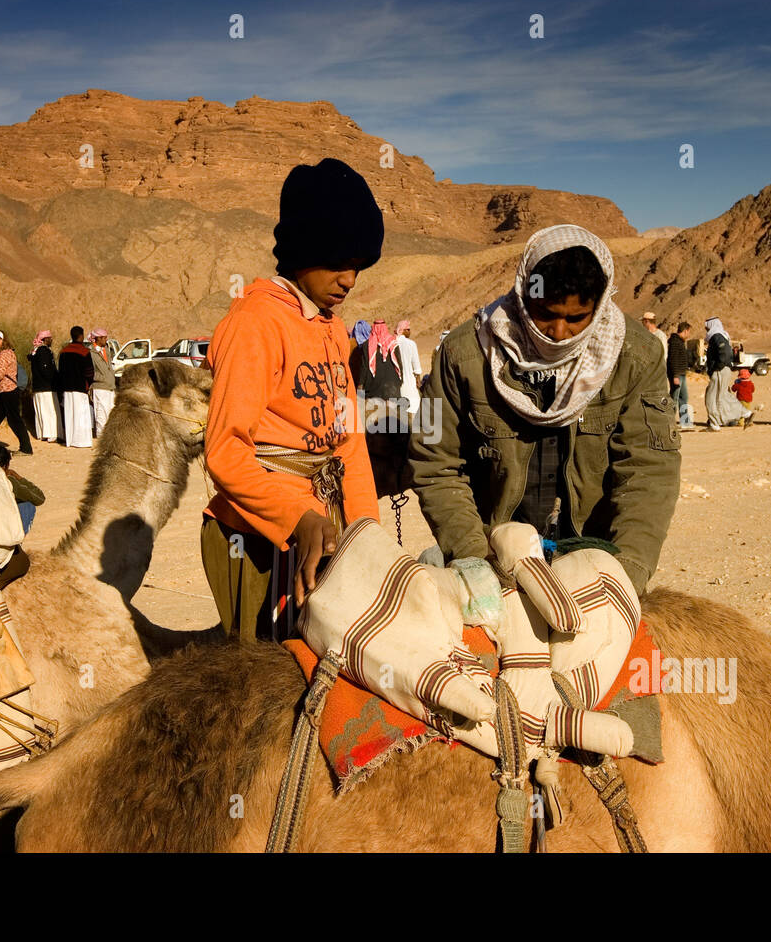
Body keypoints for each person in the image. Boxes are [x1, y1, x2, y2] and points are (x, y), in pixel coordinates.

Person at [410, 224, 680, 597]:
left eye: (576, 318)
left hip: (592, 561)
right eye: (545, 314)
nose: (558, 332)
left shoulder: (637, 356)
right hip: (492, 558)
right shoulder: (461, 354)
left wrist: (626, 574)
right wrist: (474, 561)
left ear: (600, 306)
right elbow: (433, 463)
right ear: (523, 295)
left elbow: (648, 472)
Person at [201, 157, 382, 643]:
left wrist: (366, 534)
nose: (349, 279)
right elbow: (225, 451)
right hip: (256, 541)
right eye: (339, 261)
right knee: (263, 689)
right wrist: (295, 518)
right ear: (304, 249)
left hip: (326, 530)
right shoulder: (255, 323)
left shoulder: (332, 327)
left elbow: (348, 443)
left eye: (358, 267)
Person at [0, 442, 46, 533]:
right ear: (5, 466)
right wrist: (18, 477)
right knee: (28, 505)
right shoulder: (8, 482)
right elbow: (39, 498)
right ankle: (16, 541)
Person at [0, 331, 33, 455]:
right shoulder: (9, 353)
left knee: (14, 420)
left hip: (8, 391)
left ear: (3, 340)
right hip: (6, 391)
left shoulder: (4, 355)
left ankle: (26, 449)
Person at [57, 326, 94, 448]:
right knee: (81, 414)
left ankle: (70, 440)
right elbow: (89, 372)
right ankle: (81, 441)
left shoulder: (63, 352)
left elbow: (60, 372)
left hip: (67, 388)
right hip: (80, 387)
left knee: (70, 414)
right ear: (81, 336)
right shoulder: (84, 352)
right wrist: (89, 383)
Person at [703, 317, 740, 431]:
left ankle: (718, 421)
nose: (706, 329)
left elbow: (723, 353)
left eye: (707, 327)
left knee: (712, 396)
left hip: (719, 370)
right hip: (723, 370)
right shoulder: (723, 335)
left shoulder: (717, 336)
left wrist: (716, 367)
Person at [29, 330, 62, 443]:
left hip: (38, 387)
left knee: (42, 411)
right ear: (44, 340)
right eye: (49, 338)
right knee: (49, 410)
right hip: (46, 387)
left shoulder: (36, 351)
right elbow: (46, 370)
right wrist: (55, 381)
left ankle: (42, 433)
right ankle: (51, 434)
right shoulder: (44, 351)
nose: (51, 340)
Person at [667, 321, 694, 430]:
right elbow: (673, 360)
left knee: (684, 397)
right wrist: (675, 376)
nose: (689, 334)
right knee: (674, 398)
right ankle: (669, 422)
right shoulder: (674, 342)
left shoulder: (680, 342)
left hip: (681, 374)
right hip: (677, 375)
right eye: (689, 332)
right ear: (685, 330)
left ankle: (685, 422)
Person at [89, 329, 116, 438]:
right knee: (101, 412)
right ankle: (101, 436)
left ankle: (109, 435)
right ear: (98, 339)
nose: (106, 339)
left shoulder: (107, 350)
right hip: (100, 387)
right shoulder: (91, 352)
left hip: (110, 386)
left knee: (111, 412)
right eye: (104, 337)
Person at [394, 320, 424, 415]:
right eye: (408, 329)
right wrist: (418, 380)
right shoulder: (411, 344)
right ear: (402, 331)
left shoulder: (393, 343)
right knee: (414, 411)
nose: (410, 332)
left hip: (397, 385)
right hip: (410, 384)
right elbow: (416, 365)